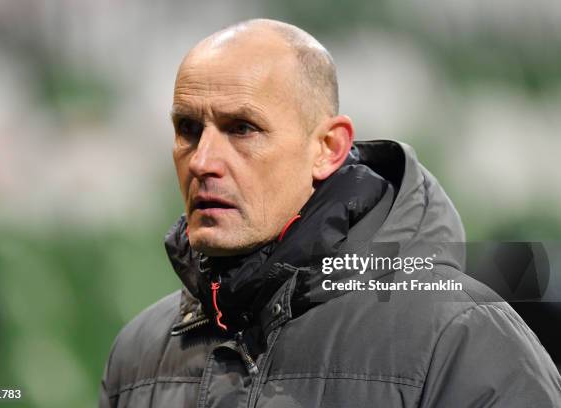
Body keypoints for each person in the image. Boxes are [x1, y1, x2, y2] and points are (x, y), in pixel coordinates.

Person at [98, 18, 561, 407]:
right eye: (188, 129)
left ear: (328, 148)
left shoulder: (463, 337)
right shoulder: (139, 353)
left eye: (242, 128)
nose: (202, 160)